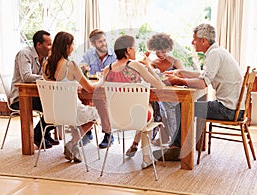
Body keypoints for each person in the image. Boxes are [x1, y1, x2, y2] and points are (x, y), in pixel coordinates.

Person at [153, 23, 245, 161]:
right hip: (234, 108)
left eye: (194, 39)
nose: (192, 42)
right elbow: (204, 75)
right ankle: (180, 147)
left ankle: (177, 149)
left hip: (227, 110)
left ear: (204, 41)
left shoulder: (214, 54)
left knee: (184, 106)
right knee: (188, 105)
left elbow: (202, 83)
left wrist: (178, 80)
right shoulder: (218, 52)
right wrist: (181, 72)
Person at [99, 34, 165, 169]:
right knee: (145, 112)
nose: (135, 51)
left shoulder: (107, 69)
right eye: (134, 48)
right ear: (128, 50)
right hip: (136, 116)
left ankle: (135, 144)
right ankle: (146, 158)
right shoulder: (135, 65)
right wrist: (148, 65)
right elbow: (159, 85)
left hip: (115, 117)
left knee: (140, 110)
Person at [42, 31, 100, 162]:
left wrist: (73, 86)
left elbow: (56, 85)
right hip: (71, 111)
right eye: (72, 44)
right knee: (97, 113)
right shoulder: (71, 65)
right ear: (66, 46)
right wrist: (103, 81)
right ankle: (73, 143)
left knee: (81, 113)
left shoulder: (46, 64)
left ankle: (73, 146)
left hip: (53, 112)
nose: (74, 46)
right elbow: (90, 88)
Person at [125, 33, 184, 158]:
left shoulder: (175, 62)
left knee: (170, 113)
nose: (160, 54)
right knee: (145, 108)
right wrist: (145, 62)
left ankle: (174, 147)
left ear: (168, 49)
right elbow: (142, 74)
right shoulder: (153, 63)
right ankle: (136, 144)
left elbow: (183, 78)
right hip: (158, 100)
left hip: (172, 99)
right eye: (157, 52)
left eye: (163, 51)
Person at [9, 30, 58, 149]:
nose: (51, 47)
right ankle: (37, 134)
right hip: (21, 98)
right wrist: (47, 79)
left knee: (60, 104)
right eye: (49, 44)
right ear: (38, 45)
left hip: (38, 95)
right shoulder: (24, 54)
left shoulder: (46, 57)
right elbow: (26, 77)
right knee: (54, 106)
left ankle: (44, 133)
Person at [79, 29, 116, 146]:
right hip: (93, 88)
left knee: (100, 100)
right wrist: (83, 70)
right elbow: (81, 69)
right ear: (93, 44)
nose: (104, 43)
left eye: (104, 40)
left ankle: (108, 134)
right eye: (100, 42)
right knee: (82, 97)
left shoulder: (114, 55)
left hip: (111, 90)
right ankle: (87, 132)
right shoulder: (88, 55)